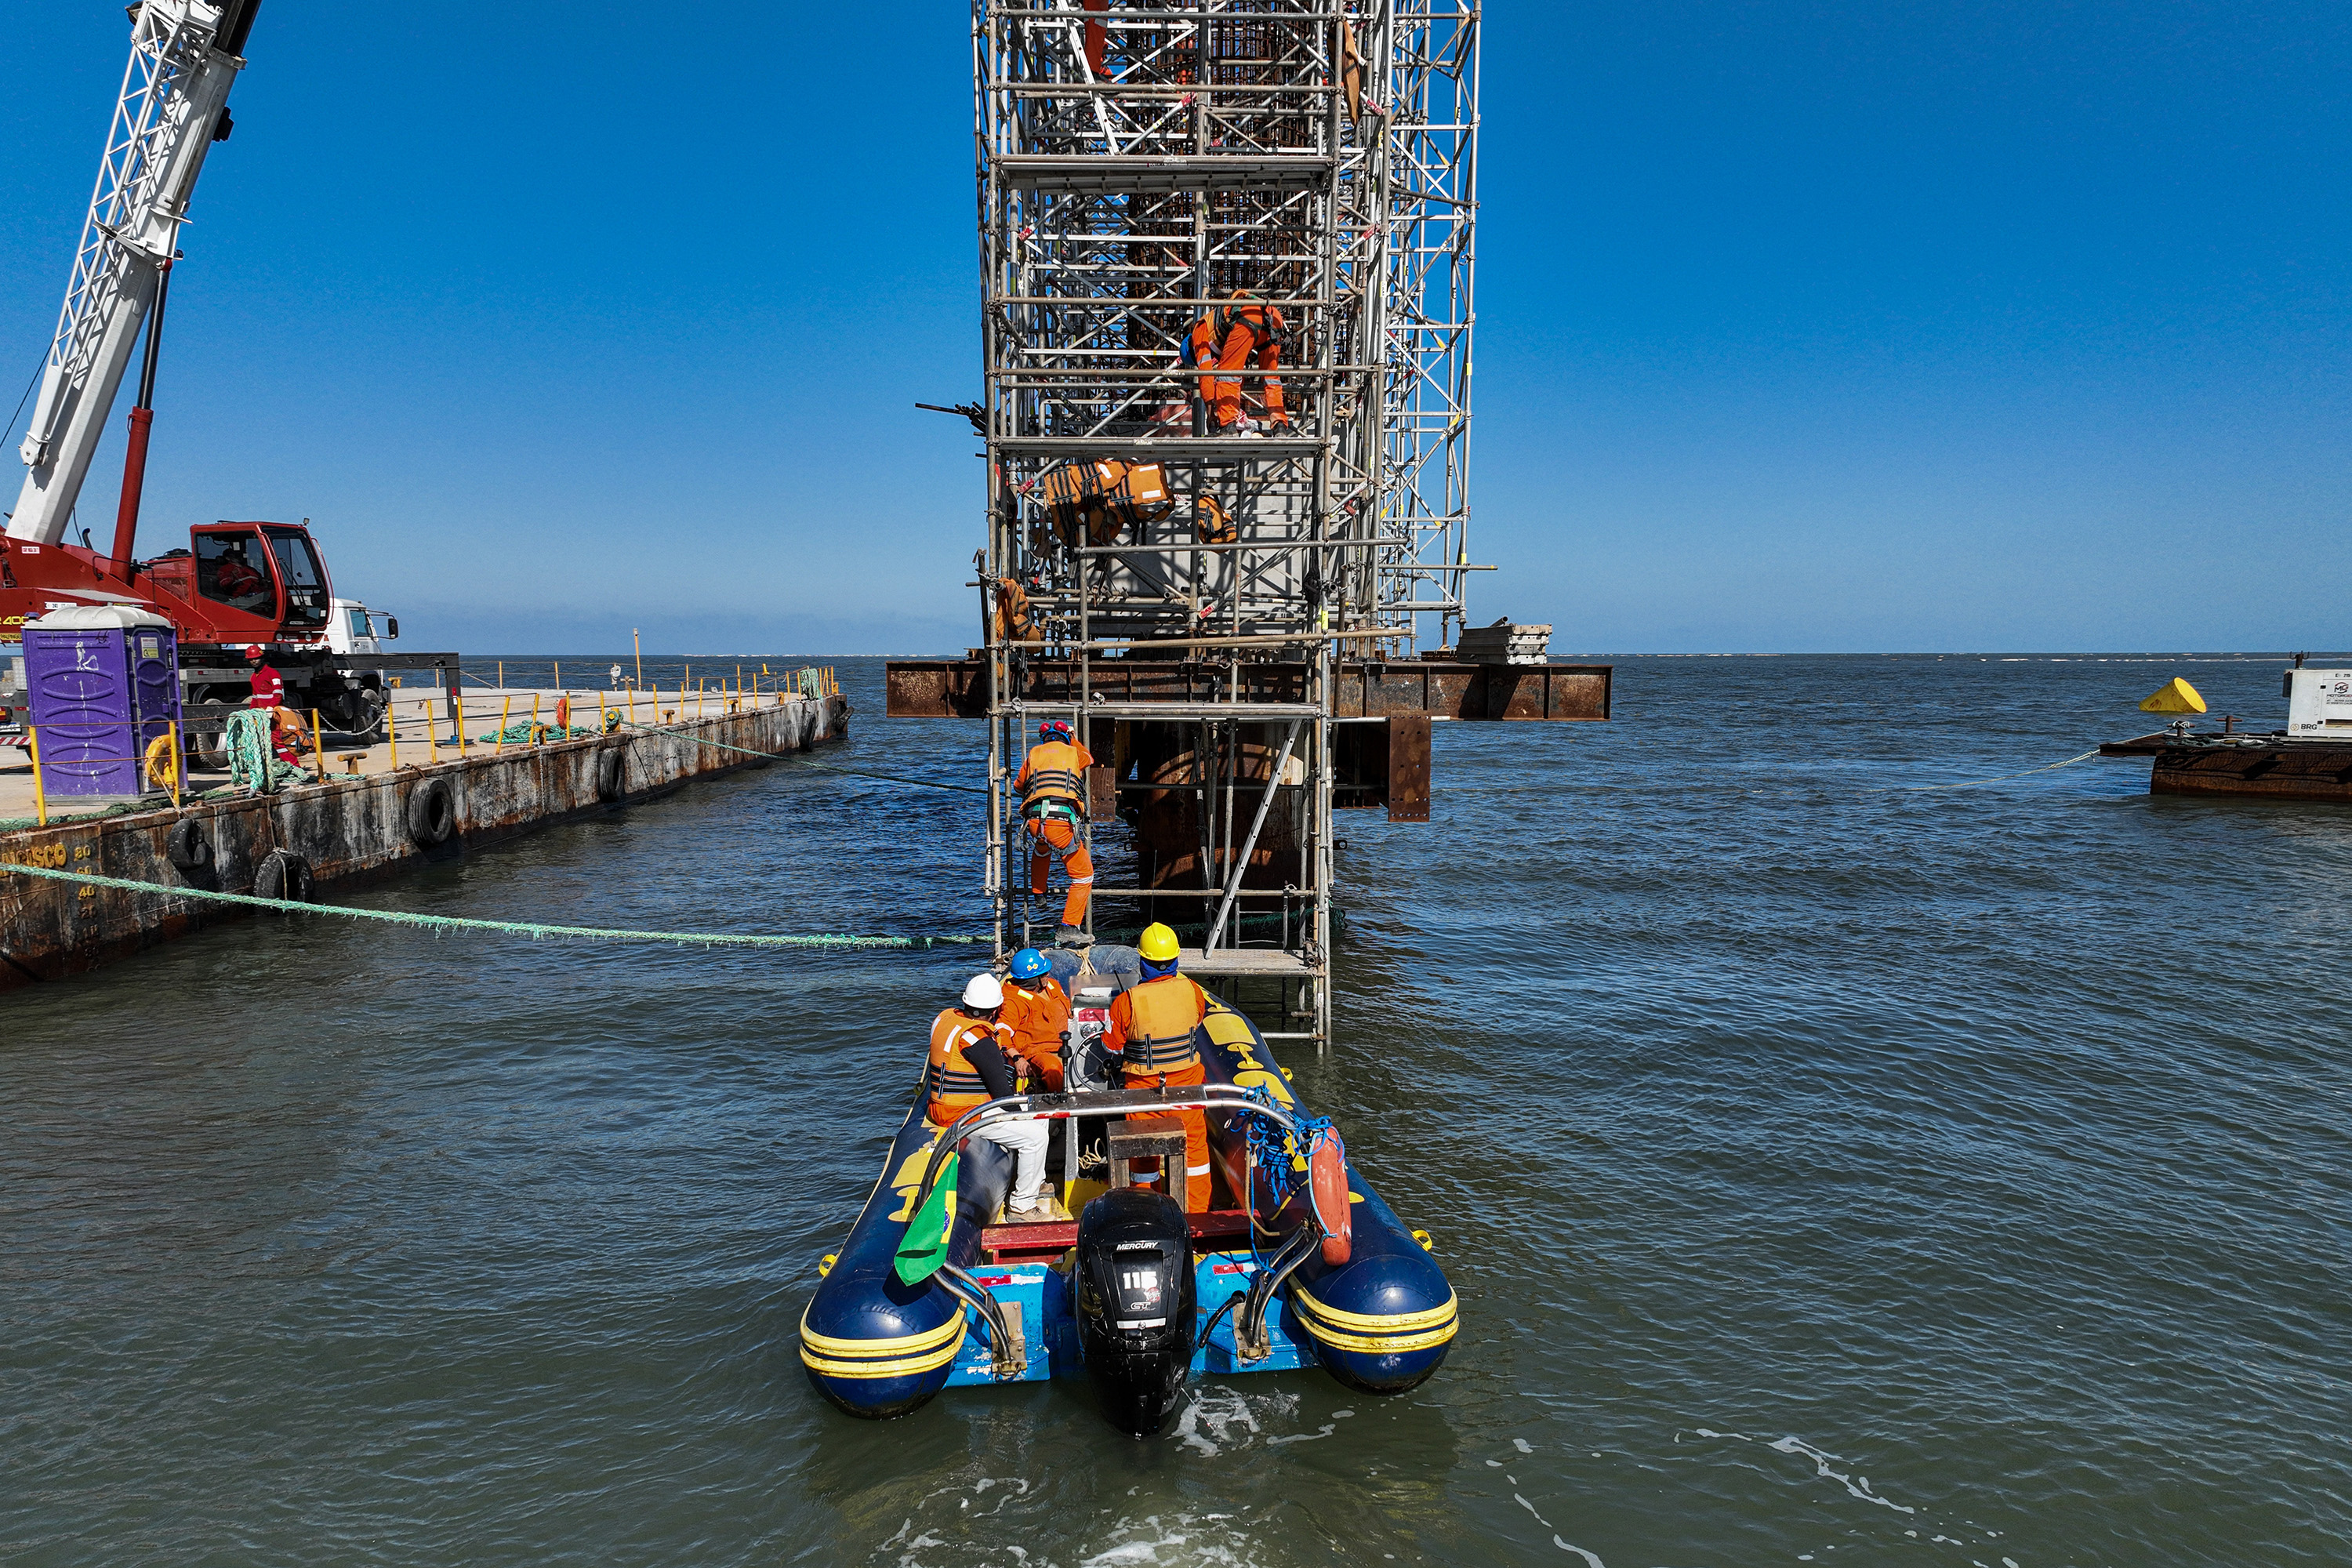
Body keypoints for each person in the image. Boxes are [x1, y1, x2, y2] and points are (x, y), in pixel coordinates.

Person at [927, 973, 1063, 1223]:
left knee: (1038, 1110)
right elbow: (1002, 1095)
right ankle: (1022, 1206)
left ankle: (1036, 1179)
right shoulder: (979, 1040)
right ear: (995, 1010)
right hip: (964, 1114)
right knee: (1036, 1137)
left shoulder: (945, 1019)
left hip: (941, 1105)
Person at [1102, 923, 1214, 1211]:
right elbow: (1197, 1022)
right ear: (1176, 960)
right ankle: (1197, 1215)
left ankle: (1146, 1209)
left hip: (1144, 1092)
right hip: (1188, 1089)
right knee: (1196, 1155)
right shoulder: (1193, 991)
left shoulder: (1127, 1002)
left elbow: (1111, 1046)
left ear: (1143, 962)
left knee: (1143, 1155)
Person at [1015, 719, 1095, 946]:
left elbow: (1019, 785)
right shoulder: (1072, 752)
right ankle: (1069, 926)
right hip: (1060, 822)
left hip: (1034, 823)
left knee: (1042, 850)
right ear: (1065, 738)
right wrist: (1074, 737)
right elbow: (1088, 759)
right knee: (1083, 875)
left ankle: (1039, 893)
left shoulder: (1034, 753)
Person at [1187, 292, 1287, 435]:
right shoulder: (1217, 333)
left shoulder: (1199, 331)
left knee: (1227, 373)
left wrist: (1210, 413)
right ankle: (1280, 425)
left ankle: (1228, 425)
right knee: (1271, 377)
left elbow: (1206, 374)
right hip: (1273, 317)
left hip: (1248, 317)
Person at [1000, 948, 1070, 1092]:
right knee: (1053, 1068)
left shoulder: (1053, 986)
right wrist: (1017, 1058)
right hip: (1036, 1052)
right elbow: (1001, 1034)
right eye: (1044, 973)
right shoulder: (1014, 1003)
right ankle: (1059, 1108)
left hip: (1066, 1044)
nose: (1048, 975)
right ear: (1033, 979)